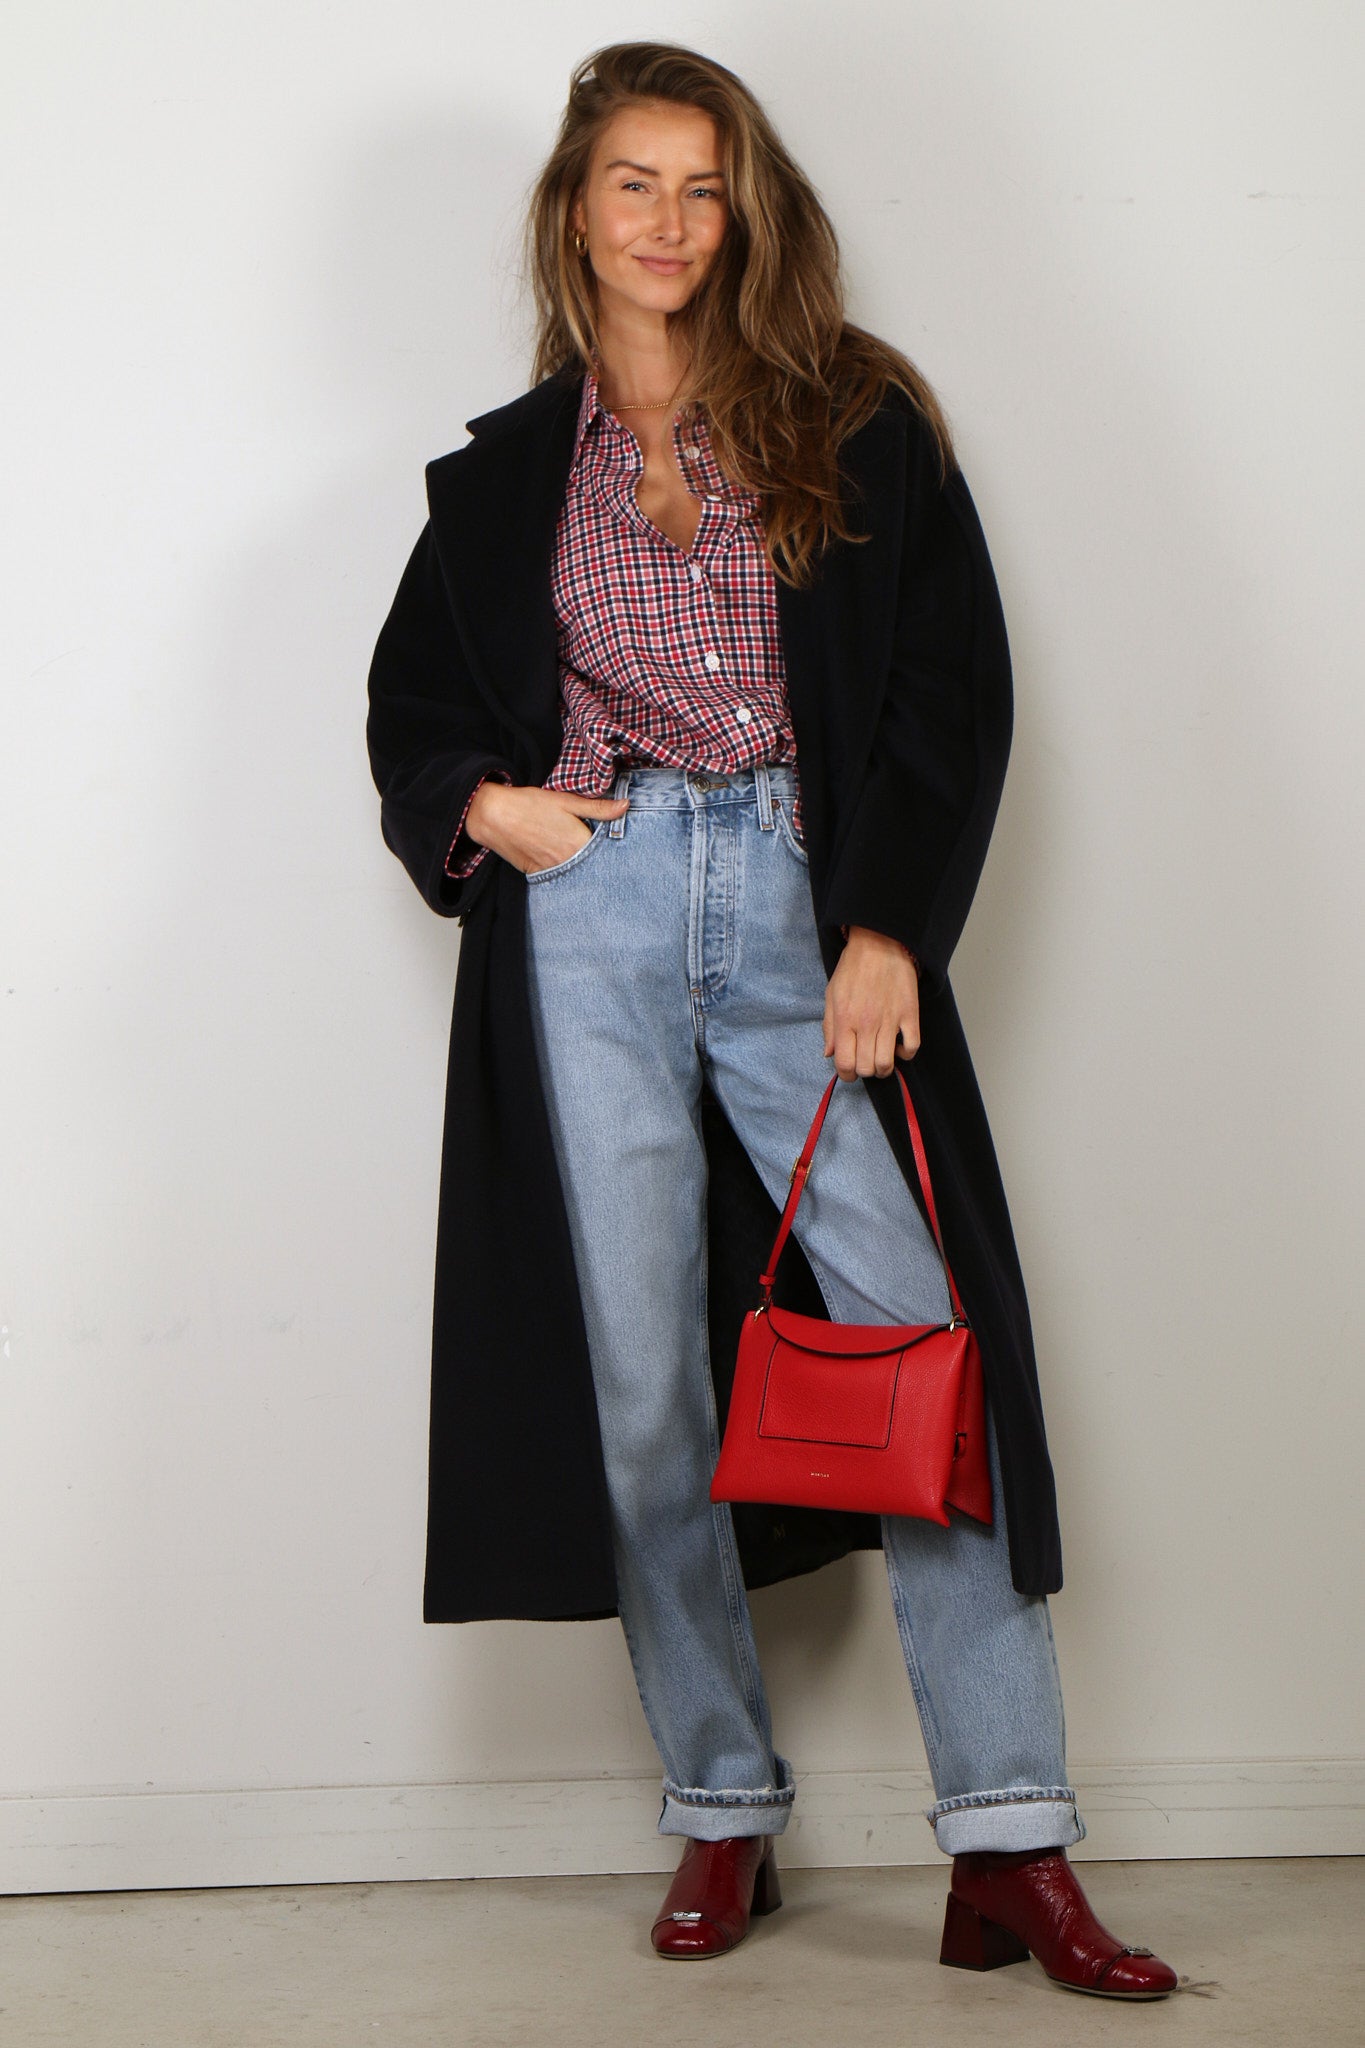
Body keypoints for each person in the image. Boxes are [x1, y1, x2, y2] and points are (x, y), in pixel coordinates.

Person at [367, 40, 1178, 1999]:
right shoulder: (503, 475)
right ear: (575, 210)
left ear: (746, 213)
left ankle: (1008, 1840)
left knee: (919, 1350)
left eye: (701, 184)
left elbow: (945, 689)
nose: (666, 220)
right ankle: (719, 1798)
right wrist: (493, 810)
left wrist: (888, 922)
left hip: (804, 903)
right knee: (640, 1385)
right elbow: (412, 708)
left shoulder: (855, 417)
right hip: (593, 912)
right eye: (630, 181)